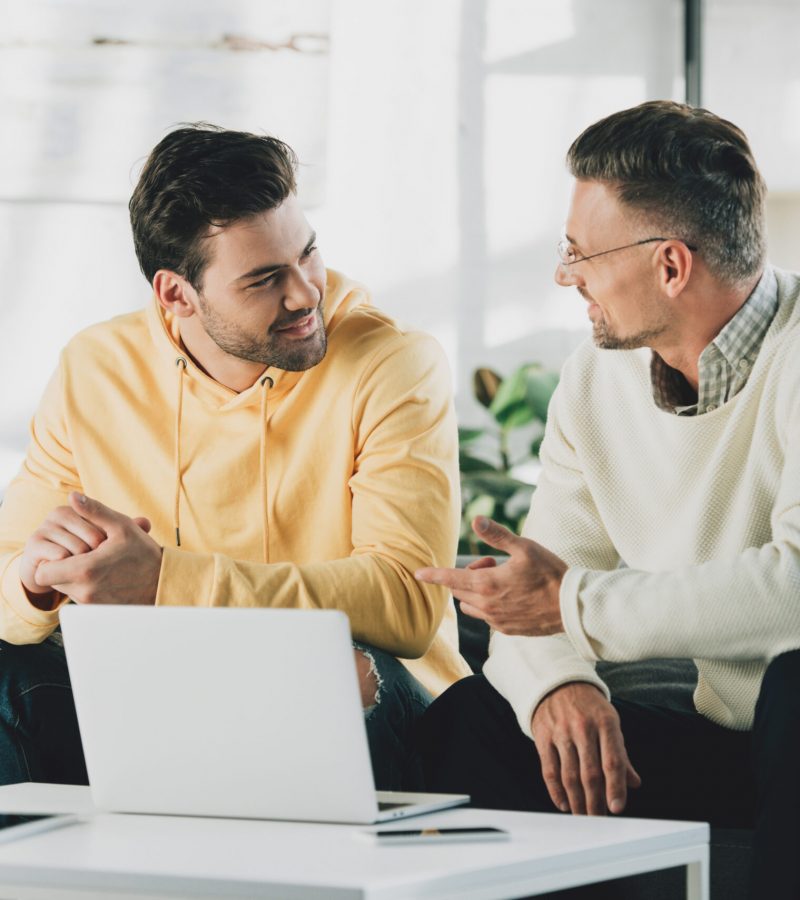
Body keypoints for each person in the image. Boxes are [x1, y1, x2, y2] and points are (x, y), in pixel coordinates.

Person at [0, 124, 470, 791]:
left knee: (341, 669)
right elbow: (7, 567)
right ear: (175, 294)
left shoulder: (392, 364)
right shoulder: (95, 367)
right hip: (162, 695)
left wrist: (166, 582)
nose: (307, 294)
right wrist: (36, 576)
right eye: (264, 280)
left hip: (369, 700)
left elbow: (405, 601)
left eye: (309, 255)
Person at [415, 100, 800, 898]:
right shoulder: (596, 378)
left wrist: (573, 606)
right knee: (476, 721)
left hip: (792, 729)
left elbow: (794, 587)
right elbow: (538, 598)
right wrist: (559, 683)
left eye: (580, 253)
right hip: (723, 731)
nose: (565, 275)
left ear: (670, 265)